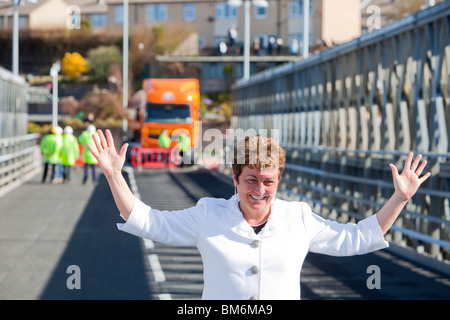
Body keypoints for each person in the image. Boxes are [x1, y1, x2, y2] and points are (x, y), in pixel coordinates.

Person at [87, 130, 430, 300]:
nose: (259, 190)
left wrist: (399, 198)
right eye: (250, 180)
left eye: (268, 181)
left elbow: (356, 238)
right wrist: (115, 176)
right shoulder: (209, 214)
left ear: (278, 181)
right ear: (234, 179)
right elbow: (149, 221)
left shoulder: (298, 218)